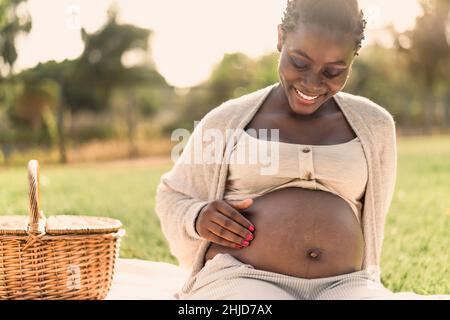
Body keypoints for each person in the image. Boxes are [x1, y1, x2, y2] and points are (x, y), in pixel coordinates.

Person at [155, 0, 446, 300]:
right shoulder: (226, 122)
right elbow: (172, 196)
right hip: (242, 278)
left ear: (353, 58)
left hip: (346, 285)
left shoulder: (375, 126)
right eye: (299, 62)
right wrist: (198, 215)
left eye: (333, 71)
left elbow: (374, 219)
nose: (311, 83)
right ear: (281, 37)